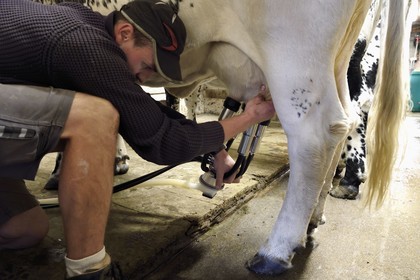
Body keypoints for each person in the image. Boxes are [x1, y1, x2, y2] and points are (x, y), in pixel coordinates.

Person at [0, 0, 275, 279]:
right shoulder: (84, 43)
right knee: (96, 118)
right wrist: (246, 119)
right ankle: (90, 271)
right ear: (125, 33)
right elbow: (161, 141)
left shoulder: (90, 28)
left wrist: (212, 148)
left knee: (24, 230)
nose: (144, 77)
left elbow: (140, 110)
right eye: (146, 65)